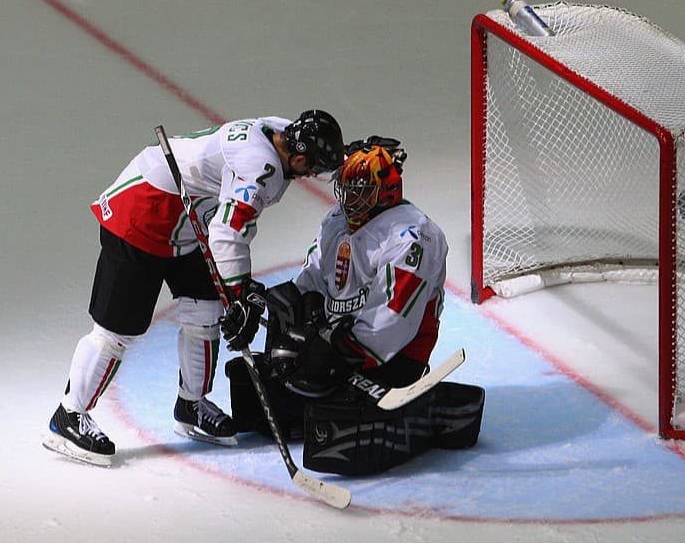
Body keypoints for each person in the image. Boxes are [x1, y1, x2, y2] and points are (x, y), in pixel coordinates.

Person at [43, 110, 345, 467]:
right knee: (116, 331)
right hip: (144, 212)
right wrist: (239, 291)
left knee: (206, 311)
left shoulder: (280, 130)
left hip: (186, 219)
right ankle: (68, 415)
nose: (310, 175)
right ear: (298, 157)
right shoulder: (259, 167)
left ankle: (191, 404)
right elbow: (228, 233)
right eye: (312, 167)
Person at [224, 137, 484, 476]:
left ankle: (398, 408)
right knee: (269, 368)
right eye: (346, 189)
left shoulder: (413, 236)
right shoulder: (337, 219)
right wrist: (284, 308)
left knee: (326, 403)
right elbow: (313, 278)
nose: (350, 199)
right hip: (337, 338)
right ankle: (316, 398)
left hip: (392, 355)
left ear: (386, 191)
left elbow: (393, 320)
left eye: (361, 191)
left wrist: (336, 350)